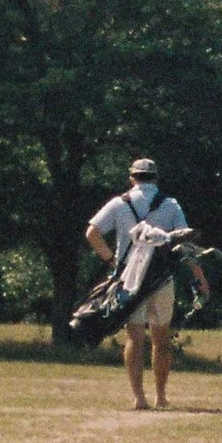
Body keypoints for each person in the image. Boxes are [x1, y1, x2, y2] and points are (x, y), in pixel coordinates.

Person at [85, 154, 205, 411]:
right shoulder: (170, 205)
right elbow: (185, 245)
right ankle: (161, 395)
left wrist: (111, 260)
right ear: (156, 178)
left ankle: (139, 397)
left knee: (134, 337)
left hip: (129, 280)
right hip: (162, 279)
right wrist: (199, 277)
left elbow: (92, 233)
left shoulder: (119, 203)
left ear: (132, 178)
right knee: (161, 339)